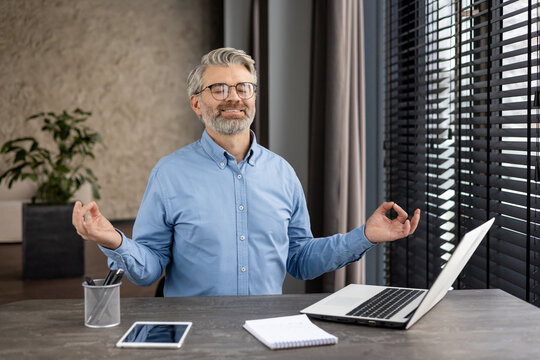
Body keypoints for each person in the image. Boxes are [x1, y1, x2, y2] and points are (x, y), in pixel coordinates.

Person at [72, 47, 420, 297]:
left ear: (253, 97)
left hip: (266, 331)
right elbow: (148, 270)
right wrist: (112, 240)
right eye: (219, 89)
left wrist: (366, 235)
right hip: (193, 333)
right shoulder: (169, 174)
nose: (233, 98)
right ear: (197, 103)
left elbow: (300, 261)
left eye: (243, 88)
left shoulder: (282, 173)